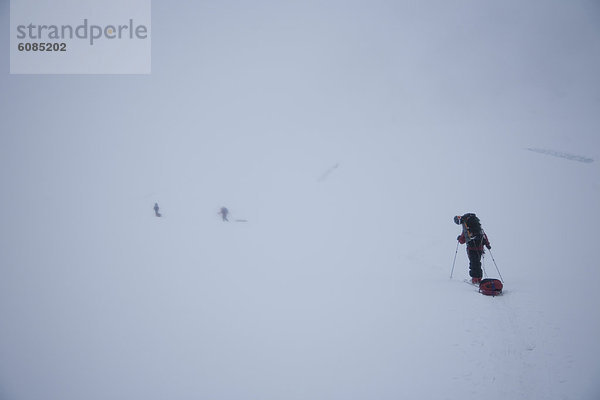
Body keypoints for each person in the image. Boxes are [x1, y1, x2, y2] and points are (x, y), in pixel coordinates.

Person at [454, 213, 491, 284]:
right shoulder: (476, 225)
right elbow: (483, 234)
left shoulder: (465, 225)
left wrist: (459, 239)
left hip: (471, 247)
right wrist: (487, 244)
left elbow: (463, 239)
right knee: (477, 262)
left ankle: (475, 279)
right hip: (480, 246)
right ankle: (479, 278)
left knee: (473, 263)